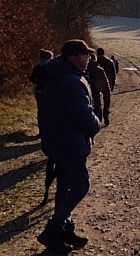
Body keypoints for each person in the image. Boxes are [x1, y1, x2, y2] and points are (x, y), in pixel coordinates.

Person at [37, 39, 101, 254]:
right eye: (86, 55)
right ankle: (54, 228)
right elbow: (83, 116)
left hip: (59, 141)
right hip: (69, 144)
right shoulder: (70, 82)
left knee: (65, 188)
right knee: (80, 186)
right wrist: (96, 123)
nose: (89, 59)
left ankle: (66, 230)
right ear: (75, 57)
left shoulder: (62, 77)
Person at [29, 49, 56, 205]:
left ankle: (41, 130)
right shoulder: (51, 68)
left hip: (38, 92)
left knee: (41, 112)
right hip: (48, 93)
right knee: (49, 113)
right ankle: (47, 131)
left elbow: (32, 78)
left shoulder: (38, 67)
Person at [86, 54, 111, 125]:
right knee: (106, 98)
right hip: (102, 85)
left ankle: (97, 115)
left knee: (96, 102)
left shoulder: (85, 69)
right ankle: (105, 112)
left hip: (92, 88)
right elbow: (105, 82)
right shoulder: (100, 69)